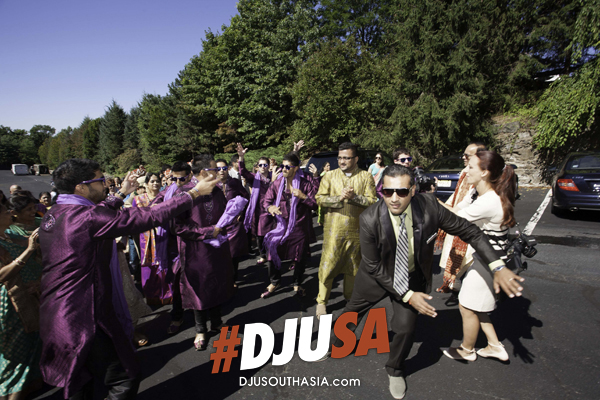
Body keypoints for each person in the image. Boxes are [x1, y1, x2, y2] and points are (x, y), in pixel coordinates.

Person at [324, 164, 524, 400]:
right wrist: (409, 296)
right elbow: (373, 266)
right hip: (376, 277)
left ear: (413, 190)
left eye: (401, 191)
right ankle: (335, 343)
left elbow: (471, 232)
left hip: (411, 277)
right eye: (387, 192)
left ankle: (395, 369)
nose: (394, 198)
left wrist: (498, 266)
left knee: (405, 329)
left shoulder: (430, 207)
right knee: (351, 312)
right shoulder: (369, 218)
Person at [38, 158, 217, 399]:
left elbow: (99, 214)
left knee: (80, 379)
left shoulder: (56, 212)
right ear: (81, 187)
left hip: (56, 310)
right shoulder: (85, 217)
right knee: (124, 377)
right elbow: (146, 216)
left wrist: (121, 193)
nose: (104, 184)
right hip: (83, 314)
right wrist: (193, 194)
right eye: (100, 180)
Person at [442, 150, 517, 362]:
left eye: (471, 167)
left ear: (484, 172)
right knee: (478, 306)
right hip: (490, 258)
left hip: (488, 262)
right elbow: (458, 209)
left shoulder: (488, 201)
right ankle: (494, 346)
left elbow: (454, 219)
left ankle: (467, 350)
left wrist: (430, 201)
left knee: (467, 306)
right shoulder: (485, 195)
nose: (466, 171)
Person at [172, 154, 236, 351]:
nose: (218, 173)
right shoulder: (184, 193)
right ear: (203, 172)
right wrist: (208, 232)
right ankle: (200, 329)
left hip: (217, 248)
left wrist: (231, 216)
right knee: (198, 288)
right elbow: (178, 227)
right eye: (214, 169)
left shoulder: (217, 190)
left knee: (216, 283)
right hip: (195, 250)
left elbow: (224, 215)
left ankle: (216, 322)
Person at [315, 142, 377, 318]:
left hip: (356, 231)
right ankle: (322, 302)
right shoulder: (329, 176)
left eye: (346, 158)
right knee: (328, 265)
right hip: (333, 231)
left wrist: (354, 197)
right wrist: (339, 198)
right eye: (340, 158)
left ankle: (350, 299)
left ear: (355, 159)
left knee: (353, 266)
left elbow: (373, 201)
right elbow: (319, 199)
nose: (342, 161)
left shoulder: (366, 177)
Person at [0, 204, 43, 399]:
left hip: (29, 298)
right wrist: (28, 251)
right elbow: (2, 275)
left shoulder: (8, 236)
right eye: (5, 212)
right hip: (13, 305)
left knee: (30, 352)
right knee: (17, 362)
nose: (10, 213)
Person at [261, 152, 318, 298]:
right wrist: (270, 208)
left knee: (300, 258)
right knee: (272, 252)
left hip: (299, 227)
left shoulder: (305, 184)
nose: (284, 169)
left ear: (296, 168)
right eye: (283, 166)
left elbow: (316, 205)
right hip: (280, 227)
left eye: (288, 166)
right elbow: (266, 202)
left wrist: (303, 197)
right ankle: (275, 282)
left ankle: (297, 283)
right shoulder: (277, 184)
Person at [435, 142, 487, 294]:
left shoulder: (488, 190)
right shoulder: (467, 174)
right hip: (462, 224)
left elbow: (464, 211)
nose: (463, 158)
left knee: (471, 261)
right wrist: (437, 203)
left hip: (477, 232)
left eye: (467, 156)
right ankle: (456, 284)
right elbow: (458, 203)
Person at [131, 172, 174, 305]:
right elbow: (134, 219)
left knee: (165, 263)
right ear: (146, 184)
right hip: (146, 237)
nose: (155, 183)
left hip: (164, 234)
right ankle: (153, 296)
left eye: (157, 181)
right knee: (149, 265)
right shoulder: (138, 199)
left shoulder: (166, 197)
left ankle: (168, 294)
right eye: (152, 181)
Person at [236, 143, 275, 265]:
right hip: (258, 210)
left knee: (272, 233)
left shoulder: (274, 177)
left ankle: (272, 253)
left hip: (272, 209)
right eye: (260, 165)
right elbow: (243, 171)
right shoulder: (254, 178)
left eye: (265, 165)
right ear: (257, 167)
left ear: (269, 166)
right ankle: (263, 255)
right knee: (259, 234)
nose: (263, 167)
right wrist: (241, 157)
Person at [215, 158, 250, 286]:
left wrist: (241, 212)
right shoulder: (212, 185)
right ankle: (223, 279)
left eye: (224, 168)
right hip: (218, 224)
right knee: (220, 254)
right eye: (218, 169)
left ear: (228, 169)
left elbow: (246, 196)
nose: (221, 171)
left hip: (233, 224)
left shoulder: (234, 182)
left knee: (233, 253)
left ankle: (233, 280)